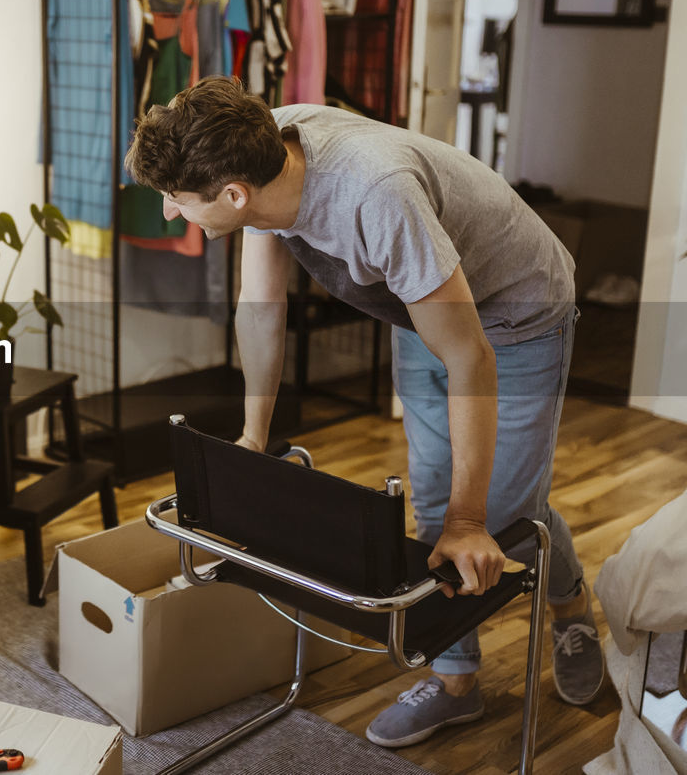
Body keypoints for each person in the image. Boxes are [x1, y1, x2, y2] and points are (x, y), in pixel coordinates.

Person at [125, 76, 604, 747]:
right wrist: (252, 435)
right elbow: (262, 306)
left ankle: (571, 606)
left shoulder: (373, 197)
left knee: (501, 516)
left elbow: (472, 359)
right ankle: (459, 683)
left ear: (231, 195)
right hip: (423, 303)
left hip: (517, 311)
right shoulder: (260, 151)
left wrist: (471, 522)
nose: (174, 215)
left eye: (177, 203)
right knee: (437, 506)